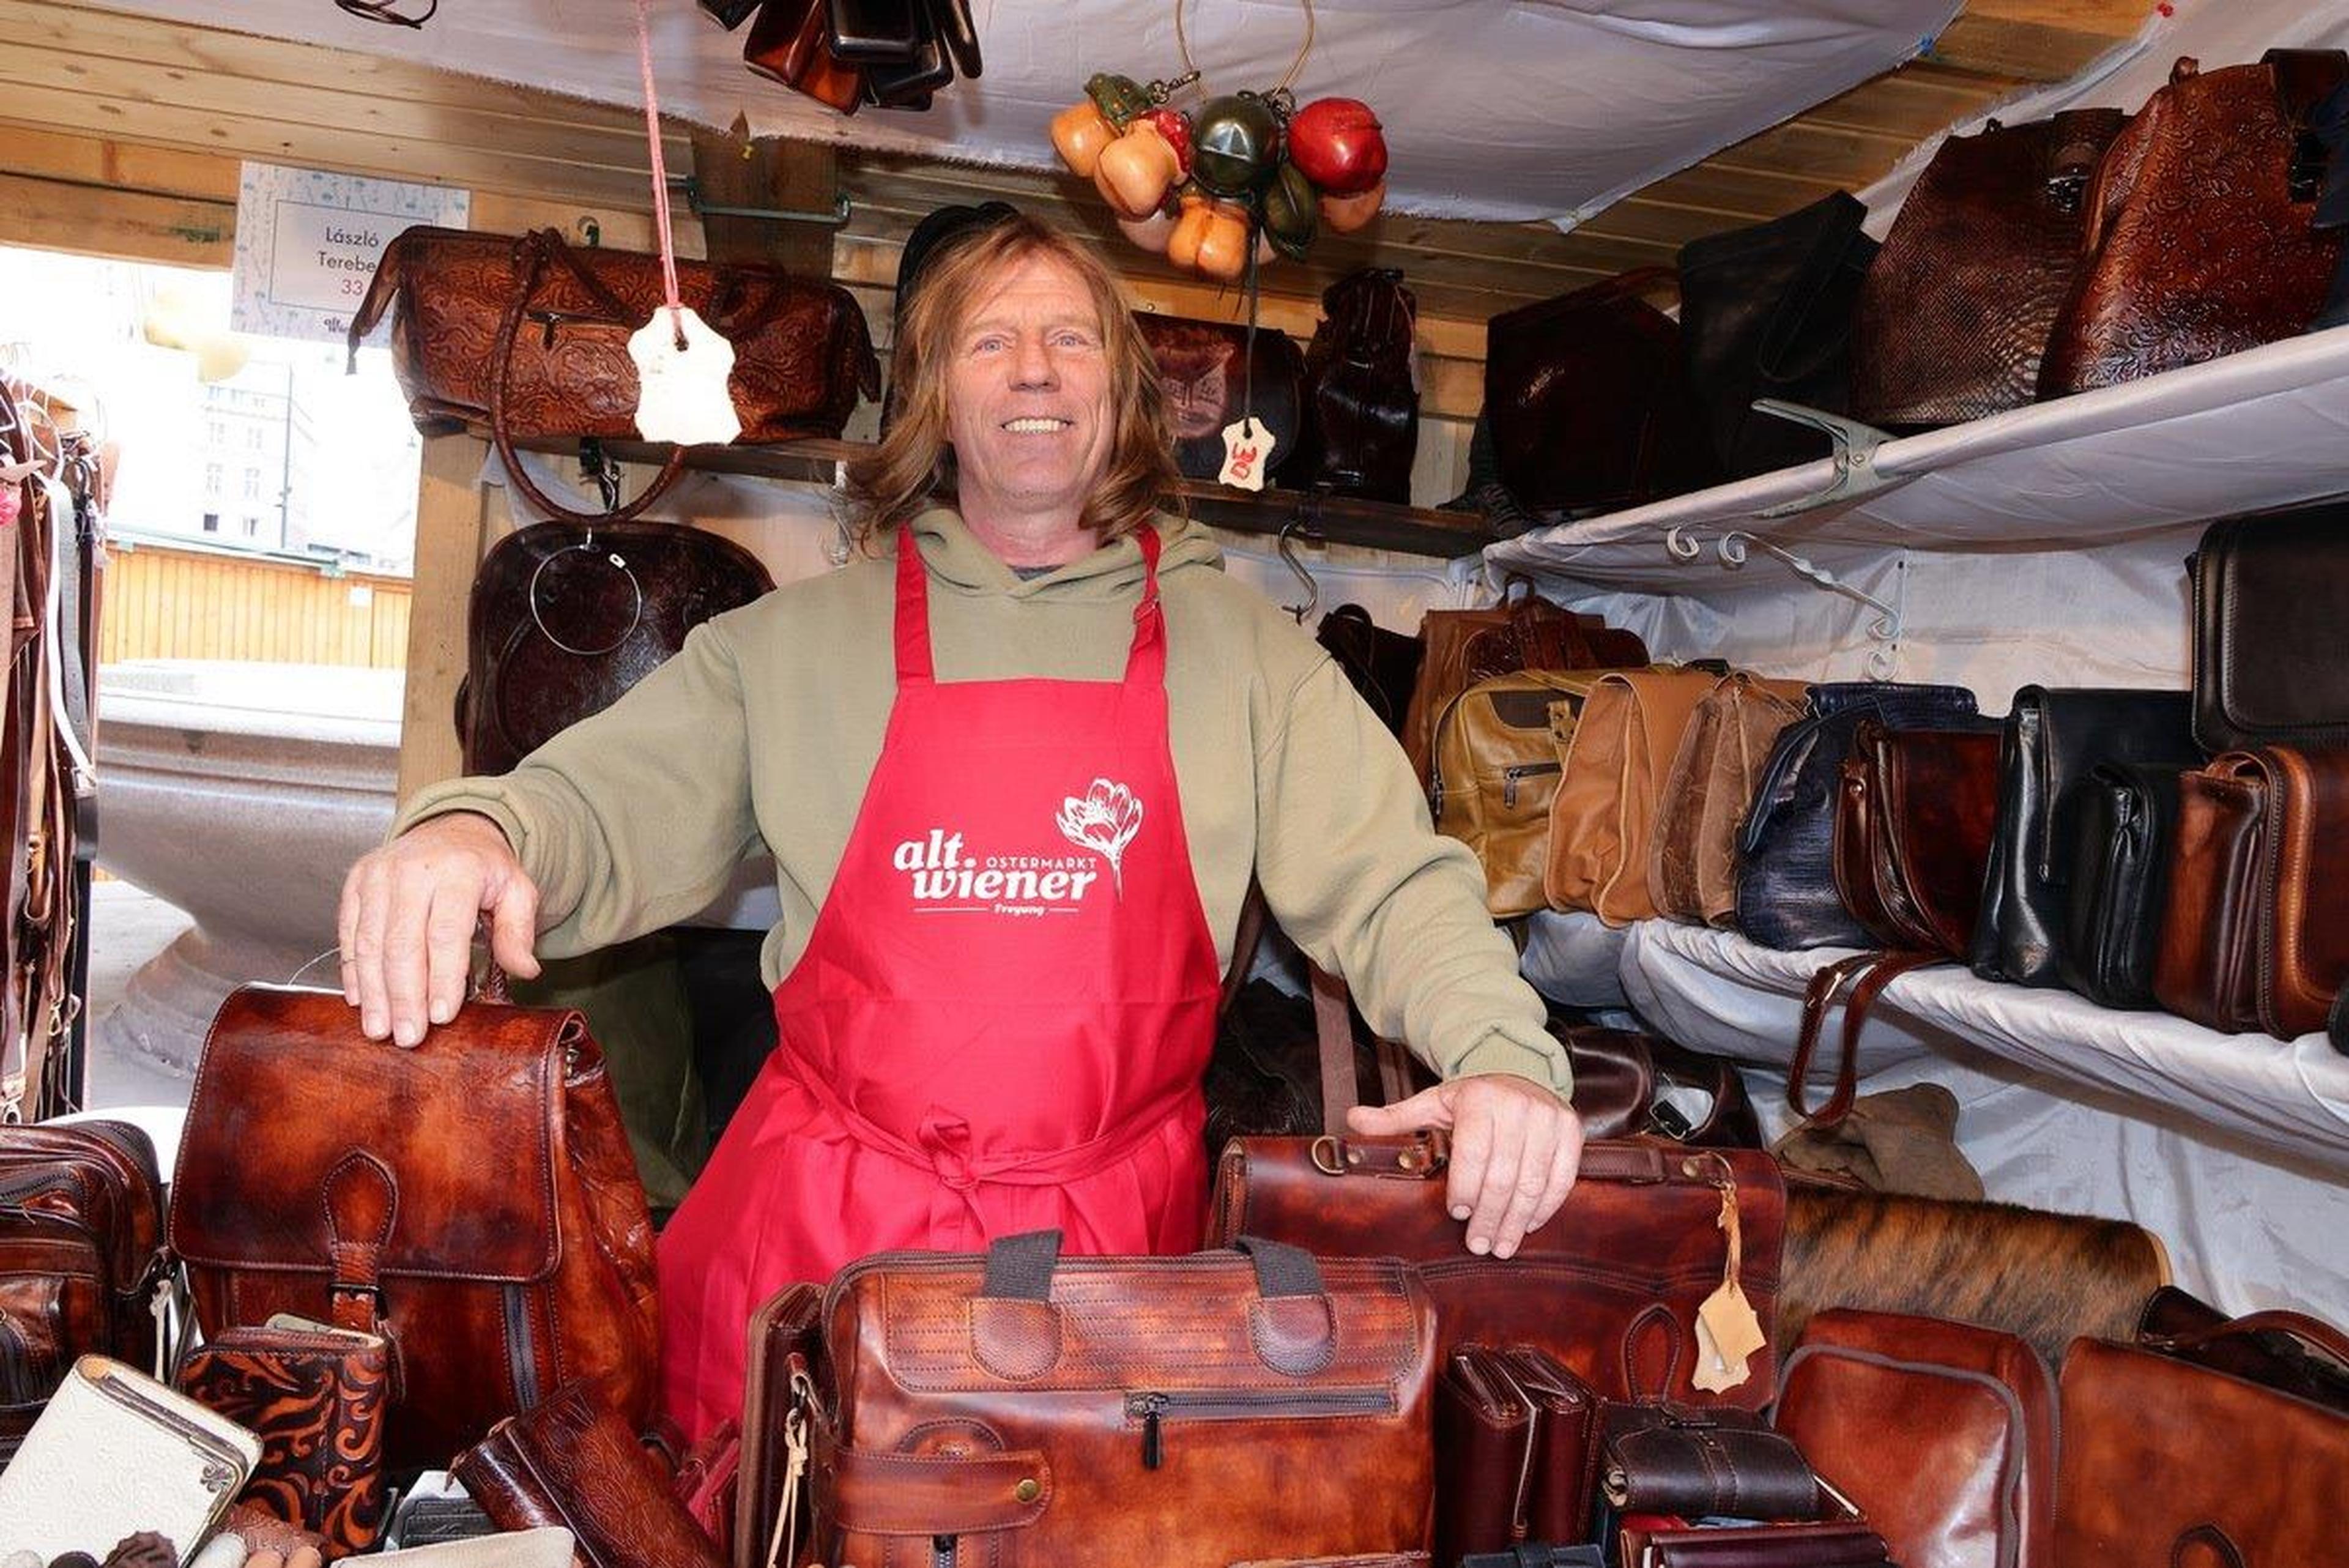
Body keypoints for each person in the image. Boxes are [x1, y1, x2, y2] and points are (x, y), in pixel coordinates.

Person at [337, 214, 1583, 1440]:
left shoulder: (1253, 660)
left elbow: (1398, 886)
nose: (1036, 369)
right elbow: (594, 799)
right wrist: (470, 829)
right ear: (934, 397)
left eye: (1072, 339)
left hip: (1107, 1286)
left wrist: (1500, 1059)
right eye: (991, 342)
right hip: (817, 1267)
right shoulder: (799, 643)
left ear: (1126, 395)